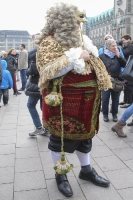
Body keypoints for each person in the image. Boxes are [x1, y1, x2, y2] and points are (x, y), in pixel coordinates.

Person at [36, 3, 111, 197]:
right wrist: (76, 56)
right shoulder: (49, 42)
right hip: (63, 103)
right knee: (60, 140)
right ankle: (60, 175)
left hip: (88, 102)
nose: (79, 27)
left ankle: (86, 170)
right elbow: (48, 72)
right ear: (64, 23)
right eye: (75, 23)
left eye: (80, 24)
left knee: (85, 138)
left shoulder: (83, 40)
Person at [99, 39, 126, 122]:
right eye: (113, 46)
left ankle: (114, 114)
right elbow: (99, 68)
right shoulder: (102, 56)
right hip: (106, 81)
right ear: (108, 47)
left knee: (116, 99)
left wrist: (119, 56)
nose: (115, 47)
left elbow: (124, 64)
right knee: (105, 98)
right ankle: (105, 114)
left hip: (116, 81)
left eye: (115, 45)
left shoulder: (117, 55)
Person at [25, 47, 48, 136]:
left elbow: (30, 71)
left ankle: (39, 127)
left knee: (30, 105)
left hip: (36, 86)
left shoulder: (35, 61)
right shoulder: (47, 58)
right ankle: (47, 129)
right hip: (45, 86)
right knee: (44, 108)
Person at [119, 34, 133, 109]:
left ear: (128, 39)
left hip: (130, 69)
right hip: (127, 68)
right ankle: (125, 100)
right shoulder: (127, 46)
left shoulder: (131, 46)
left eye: (123, 40)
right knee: (125, 86)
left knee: (129, 86)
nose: (122, 42)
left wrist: (121, 47)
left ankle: (129, 102)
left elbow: (124, 53)